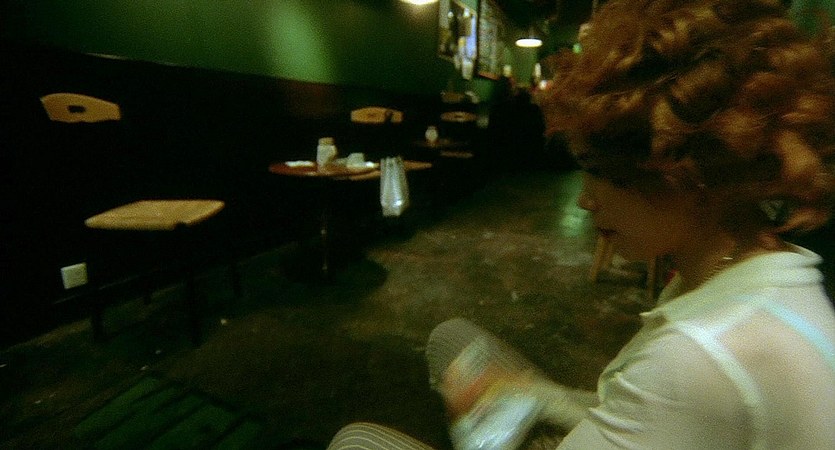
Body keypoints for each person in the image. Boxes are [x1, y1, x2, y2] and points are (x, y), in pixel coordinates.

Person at [327, 0, 835, 448]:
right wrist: (533, 393)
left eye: (603, 173)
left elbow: (670, 393)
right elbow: (640, 410)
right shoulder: (760, 267)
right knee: (451, 340)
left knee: (356, 441)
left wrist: (493, 412)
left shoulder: (699, 356)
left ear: (689, 174)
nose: (586, 201)